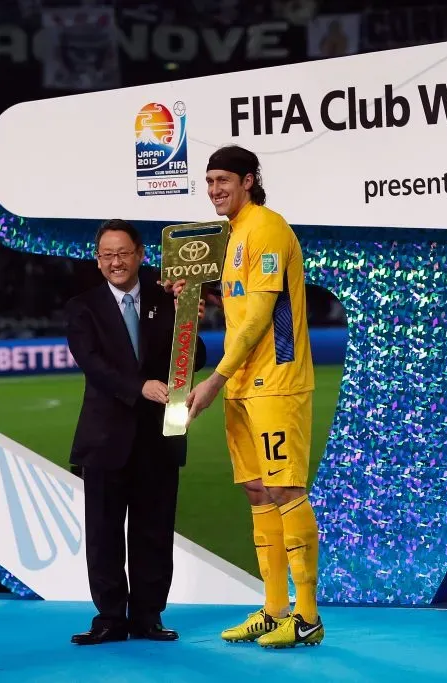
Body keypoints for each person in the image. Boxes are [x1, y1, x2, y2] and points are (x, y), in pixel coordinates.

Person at [168, 145, 322, 649]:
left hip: (276, 382)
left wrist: (213, 378)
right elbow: (236, 304)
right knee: (258, 491)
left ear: (249, 180)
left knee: (286, 490)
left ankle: (307, 615)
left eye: (223, 181)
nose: (214, 189)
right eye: (209, 181)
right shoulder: (233, 236)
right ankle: (275, 608)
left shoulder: (267, 228)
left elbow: (258, 318)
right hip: (243, 384)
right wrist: (191, 290)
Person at [67, 219, 206, 645]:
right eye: (107, 255)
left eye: (123, 253)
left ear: (141, 254)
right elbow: (92, 363)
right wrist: (138, 387)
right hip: (105, 438)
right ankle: (110, 617)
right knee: (104, 533)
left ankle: (147, 616)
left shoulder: (169, 298)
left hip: (159, 436)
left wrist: (190, 318)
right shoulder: (83, 306)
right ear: (97, 260)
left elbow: (195, 356)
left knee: (154, 531)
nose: (115, 262)